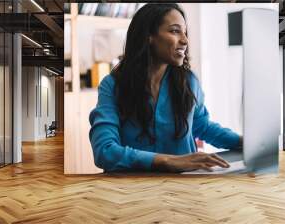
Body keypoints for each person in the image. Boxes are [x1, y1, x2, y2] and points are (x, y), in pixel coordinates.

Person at [89, 3, 241, 173]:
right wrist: (166, 161)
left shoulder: (189, 82)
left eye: (185, 32)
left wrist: (243, 142)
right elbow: (104, 151)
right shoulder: (112, 85)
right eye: (175, 31)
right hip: (131, 191)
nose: (184, 40)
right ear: (149, 36)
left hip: (184, 187)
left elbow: (202, 126)